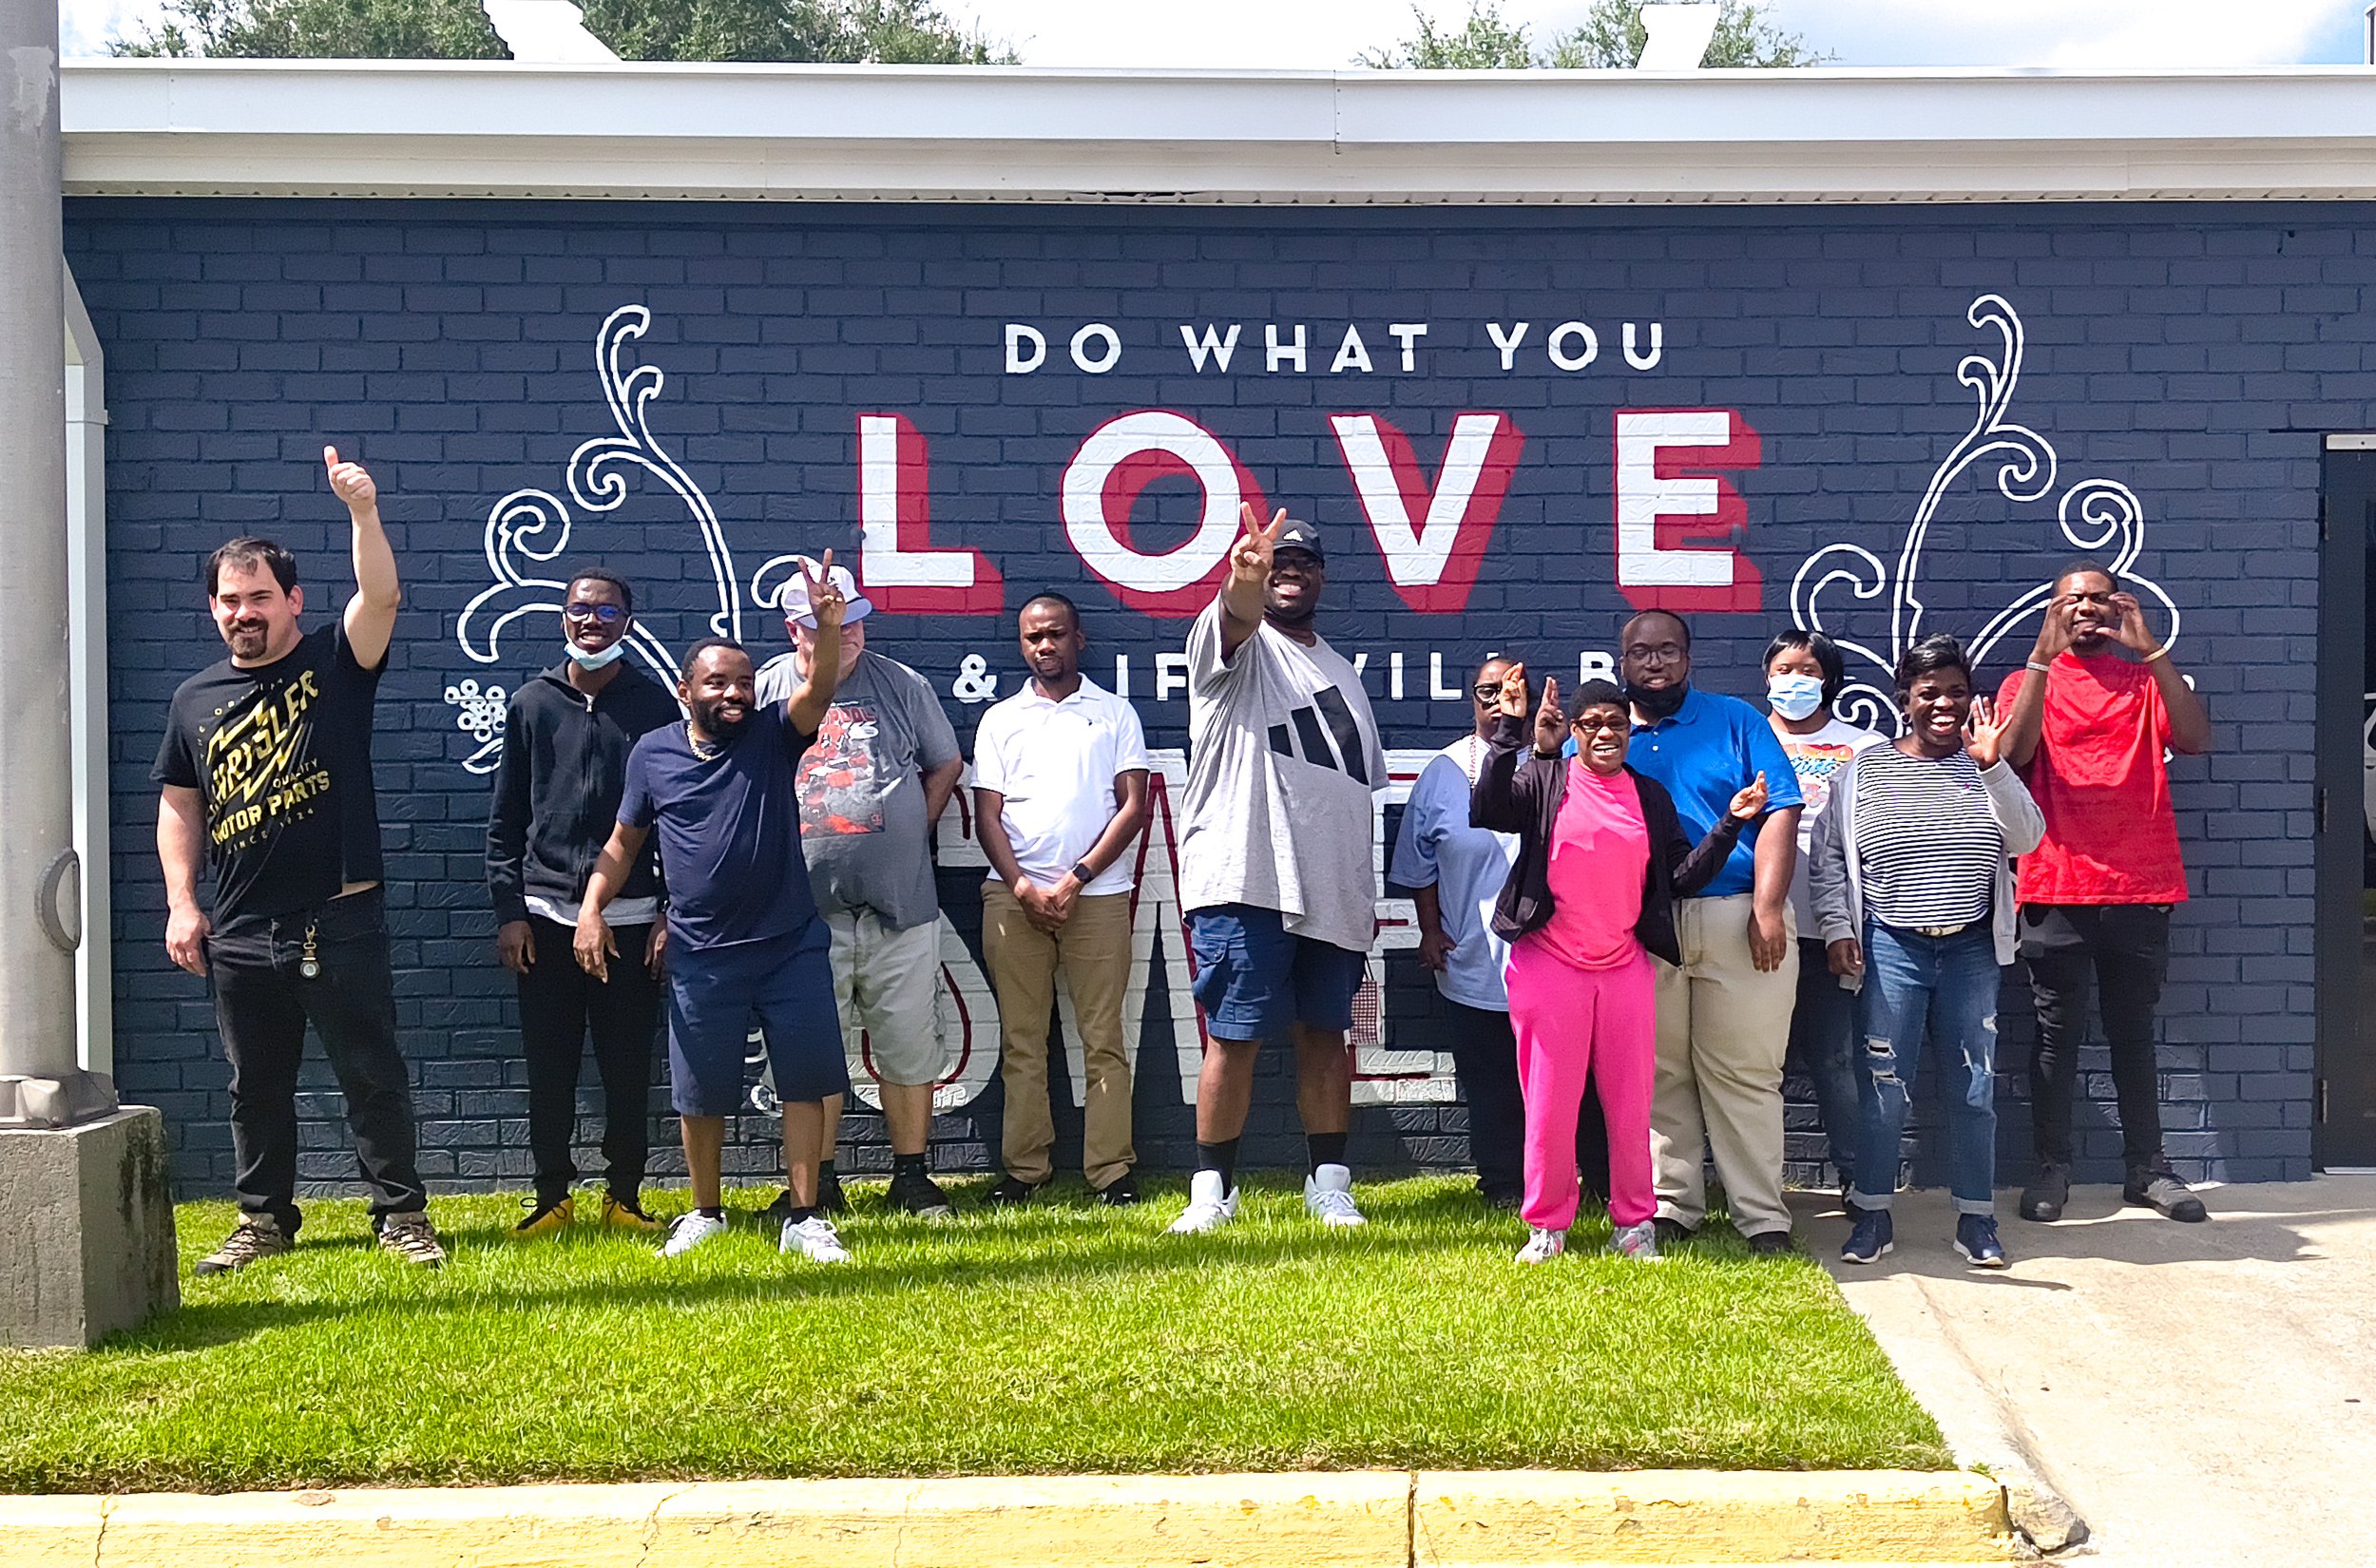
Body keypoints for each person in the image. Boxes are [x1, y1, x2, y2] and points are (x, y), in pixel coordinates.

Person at [156, 449, 443, 1274]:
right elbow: (180, 804)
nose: (242, 613)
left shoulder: (335, 664)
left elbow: (381, 597)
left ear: (293, 601)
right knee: (256, 1087)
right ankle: (264, 1220)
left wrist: (363, 512)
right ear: (214, 608)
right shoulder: (193, 700)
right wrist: (183, 902)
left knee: (371, 1076)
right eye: (229, 600)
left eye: (258, 598)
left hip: (338, 918)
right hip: (242, 927)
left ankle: (401, 1216)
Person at [573, 555, 851, 1263]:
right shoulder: (653, 754)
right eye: (719, 682)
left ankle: (805, 1216)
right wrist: (592, 909)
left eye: (745, 683)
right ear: (685, 690)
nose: (735, 693)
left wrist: (827, 626)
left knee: (806, 1082)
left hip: (789, 944)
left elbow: (819, 688)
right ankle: (706, 1212)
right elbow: (622, 843)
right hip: (701, 952)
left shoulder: (773, 734)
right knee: (700, 1093)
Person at [1473, 670, 1766, 1264]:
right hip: (1549, 963)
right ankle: (1547, 1226)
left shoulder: (1648, 795)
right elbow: (1490, 809)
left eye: (1615, 724)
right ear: (1574, 731)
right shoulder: (1547, 777)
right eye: (1591, 724)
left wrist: (1730, 823)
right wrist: (1510, 731)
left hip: (1623, 967)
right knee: (1550, 1105)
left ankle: (1635, 1225)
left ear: (1629, 730)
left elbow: (1681, 876)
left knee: (1632, 1106)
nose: (1604, 733)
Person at [1170, 506, 1387, 1234]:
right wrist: (1244, 579)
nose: (1287, 573)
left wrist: (1358, 893)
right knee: (1233, 1037)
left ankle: (1329, 1186)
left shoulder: (1342, 674)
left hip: (1330, 893)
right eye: (1276, 565)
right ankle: (1212, 1192)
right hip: (1247, 878)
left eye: (1302, 565)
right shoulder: (1238, 644)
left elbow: (1355, 793)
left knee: (1326, 1039)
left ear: (1322, 578)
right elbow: (1235, 613)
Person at [1811, 635, 2044, 1270]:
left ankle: (1976, 1220)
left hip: (1970, 950)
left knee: (1974, 1088)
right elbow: (1830, 858)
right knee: (1884, 1087)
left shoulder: (1985, 765)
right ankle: (1872, 1215)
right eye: (1929, 692)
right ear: (1904, 699)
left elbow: (2029, 837)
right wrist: (1837, 929)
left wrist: (1993, 767)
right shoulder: (1864, 770)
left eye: (1956, 692)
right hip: (1891, 948)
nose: (1944, 704)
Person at [1996, 562, 2215, 1224]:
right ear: (2053, 609)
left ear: (2119, 606)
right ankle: (2051, 1169)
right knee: (2055, 1037)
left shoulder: (2145, 680)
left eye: (2099, 598)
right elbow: (2013, 755)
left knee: (2133, 1034)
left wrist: (2151, 649)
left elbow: (2195, 739)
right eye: (2073, 601)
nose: (2086, 608)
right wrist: (2042, 656)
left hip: (2139, 886)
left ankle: (2148, 1170)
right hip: (2057, 884)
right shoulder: (2025, 681)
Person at [755, 561, 965, 1218]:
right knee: (813, 1052)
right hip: (799, 916)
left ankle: (911, 1175)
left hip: (900, 907)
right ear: (794, 629)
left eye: (854, 620)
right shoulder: (764, 689)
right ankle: (818, 1183)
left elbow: (945, 762)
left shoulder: (902, 684)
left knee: (908, 1043)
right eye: (829, 621)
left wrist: (911, 830)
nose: (847, 631)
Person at [486, 567, 680, 1238]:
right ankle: (551, 1197)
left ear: (628, 622)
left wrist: (668, 911)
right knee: (550, 1070)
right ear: (563, 618)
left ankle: (623, 1196)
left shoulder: (653, 707)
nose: (591, 621)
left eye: (606, 611)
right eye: (579, 609)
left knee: (627, 1070)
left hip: (631, 921)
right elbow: (505, 818)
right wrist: (510, 911)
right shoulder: (531, 704)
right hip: (544, 921)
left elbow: (675, 819)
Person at [1617, 609, 1805, 1254]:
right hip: (1646, 925)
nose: (1655, 662)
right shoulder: (1609, 733)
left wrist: (1768, 908)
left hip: (1736, 916)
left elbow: (1780, 809)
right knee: (1659, 1074)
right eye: (1641, 652)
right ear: (1623, 662)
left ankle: (1762, 1216)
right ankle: (1672, 1206)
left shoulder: (1736, 721)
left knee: (1745, 1072)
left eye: (1668, 650)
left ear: (1688, 659)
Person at [972, 593, 1152, 1205]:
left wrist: (1075, 879)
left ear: (1079, 638)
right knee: (1022, 1041)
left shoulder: (1114, 713)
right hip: (1012, 898)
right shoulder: (1001, 719)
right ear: (1022, 644)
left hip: (1097, 897)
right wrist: (1022, 886)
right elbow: (987, 815)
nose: (1043, 646)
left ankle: (1111, 1172)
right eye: (1032, 637)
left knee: (1103, 1038)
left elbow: (1133, 807)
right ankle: (1026, 1170)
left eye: (1054, 634)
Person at [1764, 629, 1887, 1202]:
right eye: (1784, 670)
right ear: (1767, 677)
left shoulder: (1865, 747)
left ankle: (1856, 1178)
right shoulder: (1747, 738)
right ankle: (1754, 1184)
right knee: (1753, 1066)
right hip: (1757, 928)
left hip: (1831, 933)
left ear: (1829, 680)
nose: (1795, 681)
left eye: (1809, 671)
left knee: (1837, 1059)